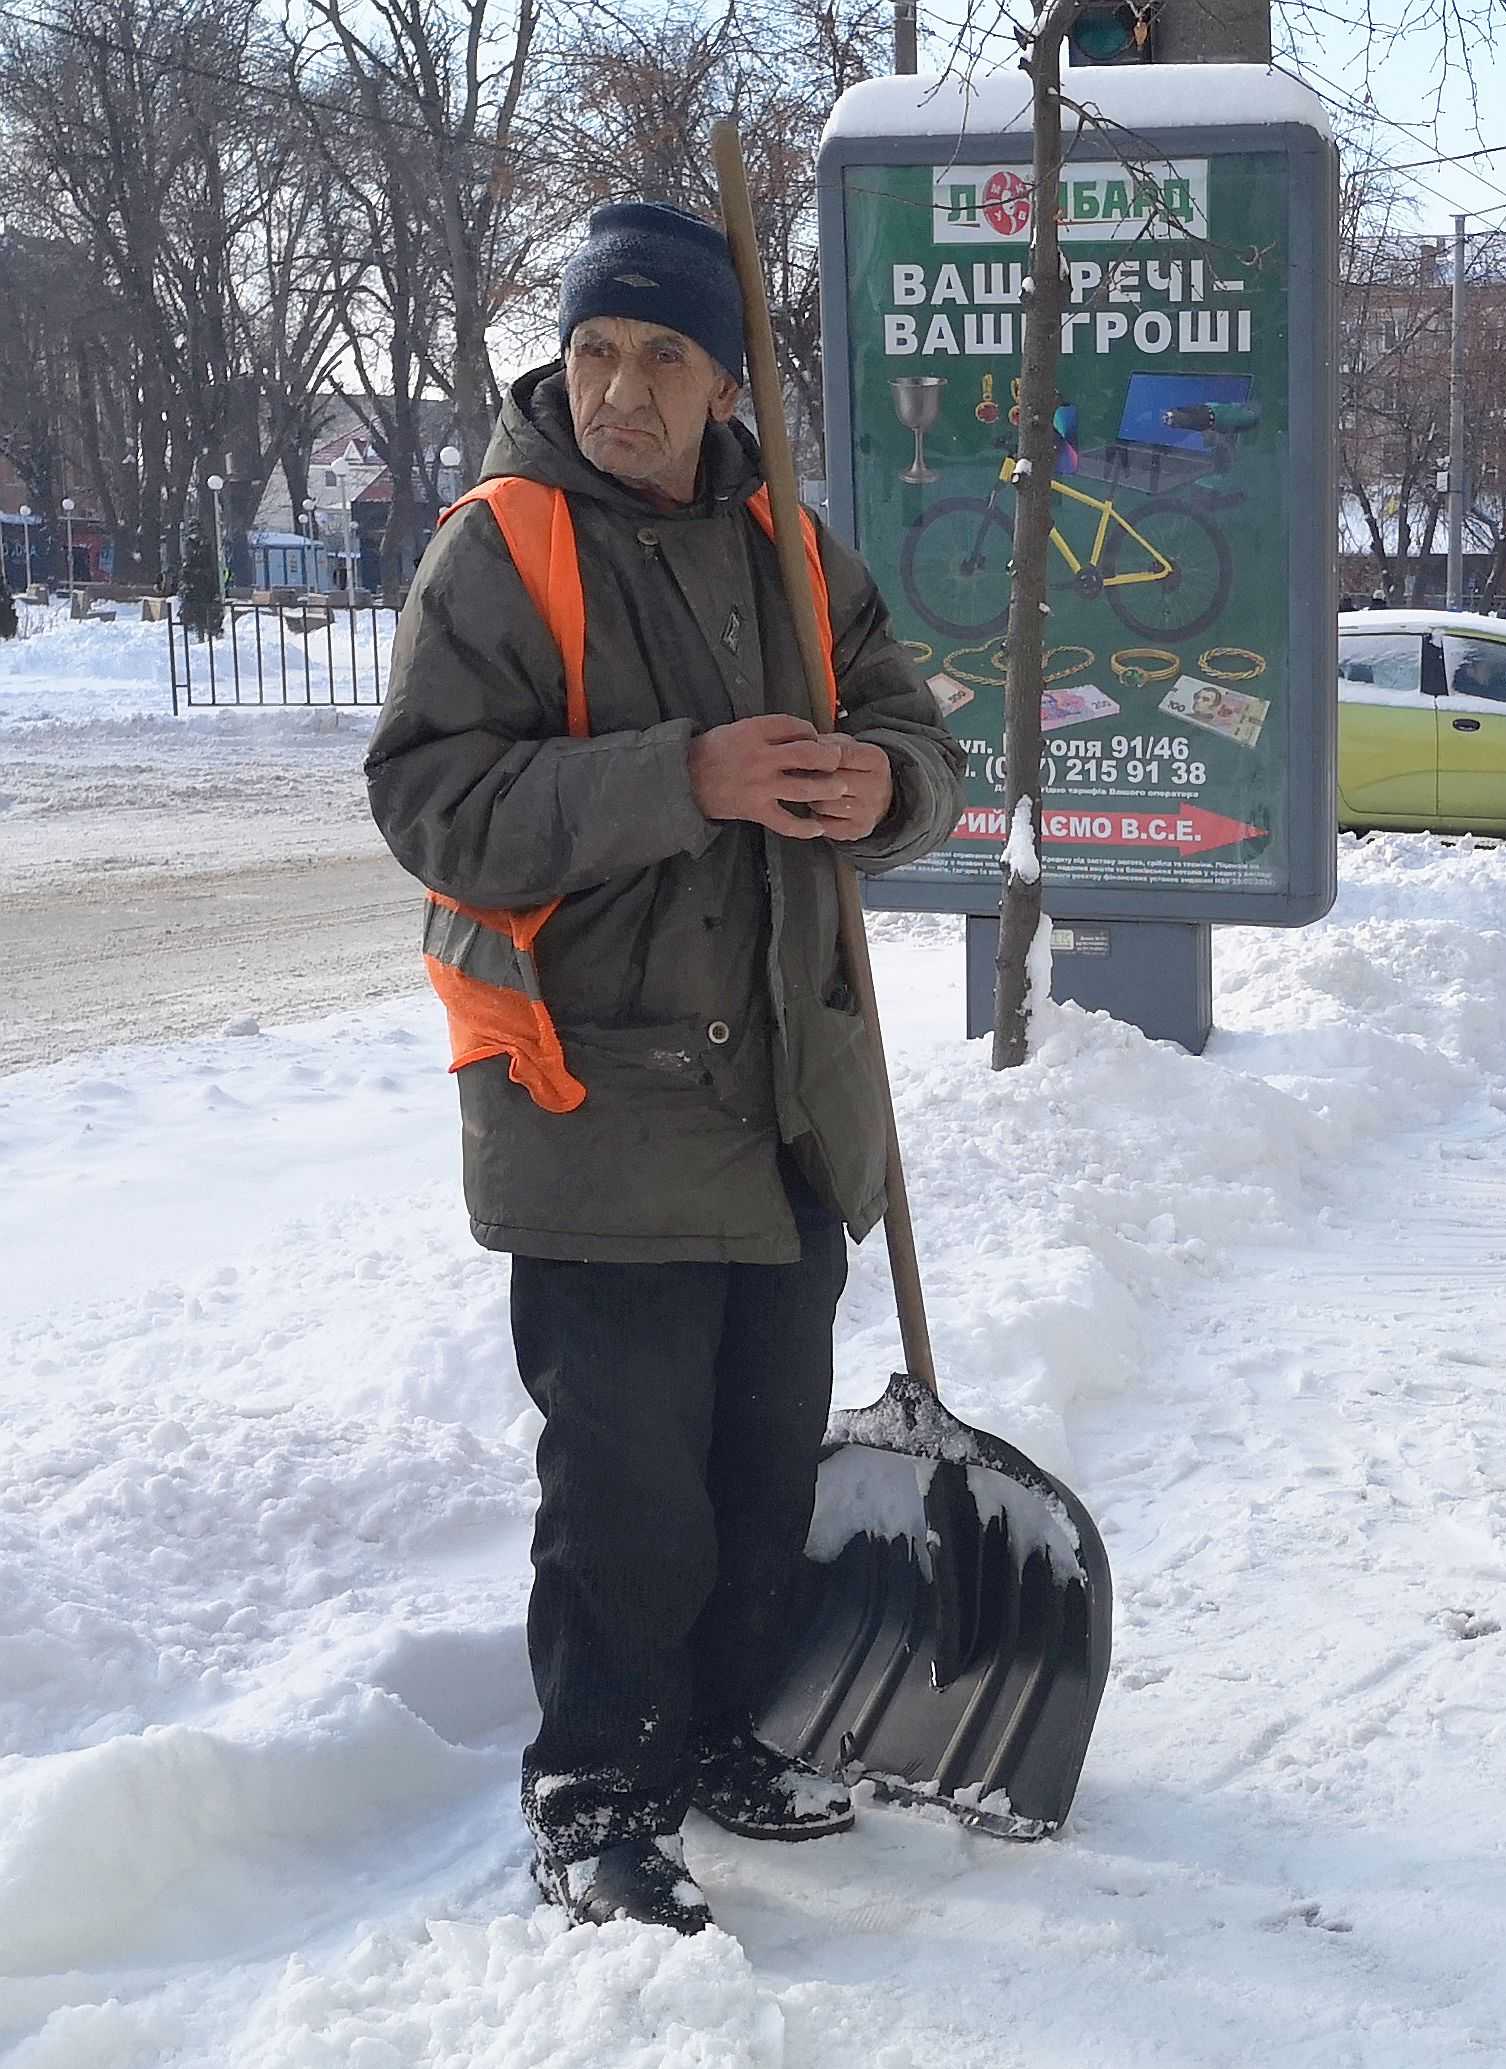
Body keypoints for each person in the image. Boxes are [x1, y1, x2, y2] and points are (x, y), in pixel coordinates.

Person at [366, 201, 968, 1934]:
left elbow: (909, 729)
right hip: (597, 1099)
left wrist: (888, 786)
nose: (619, 390)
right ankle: (600, 1787)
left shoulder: (791, 546)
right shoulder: (502, 546)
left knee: (757, 1467)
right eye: (593, 351)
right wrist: (680, 777)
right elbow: (431, 803)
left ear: (724, 383)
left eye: (661, 357)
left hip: (785, 1098)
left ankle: (719, 1733)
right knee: (627, 1490)